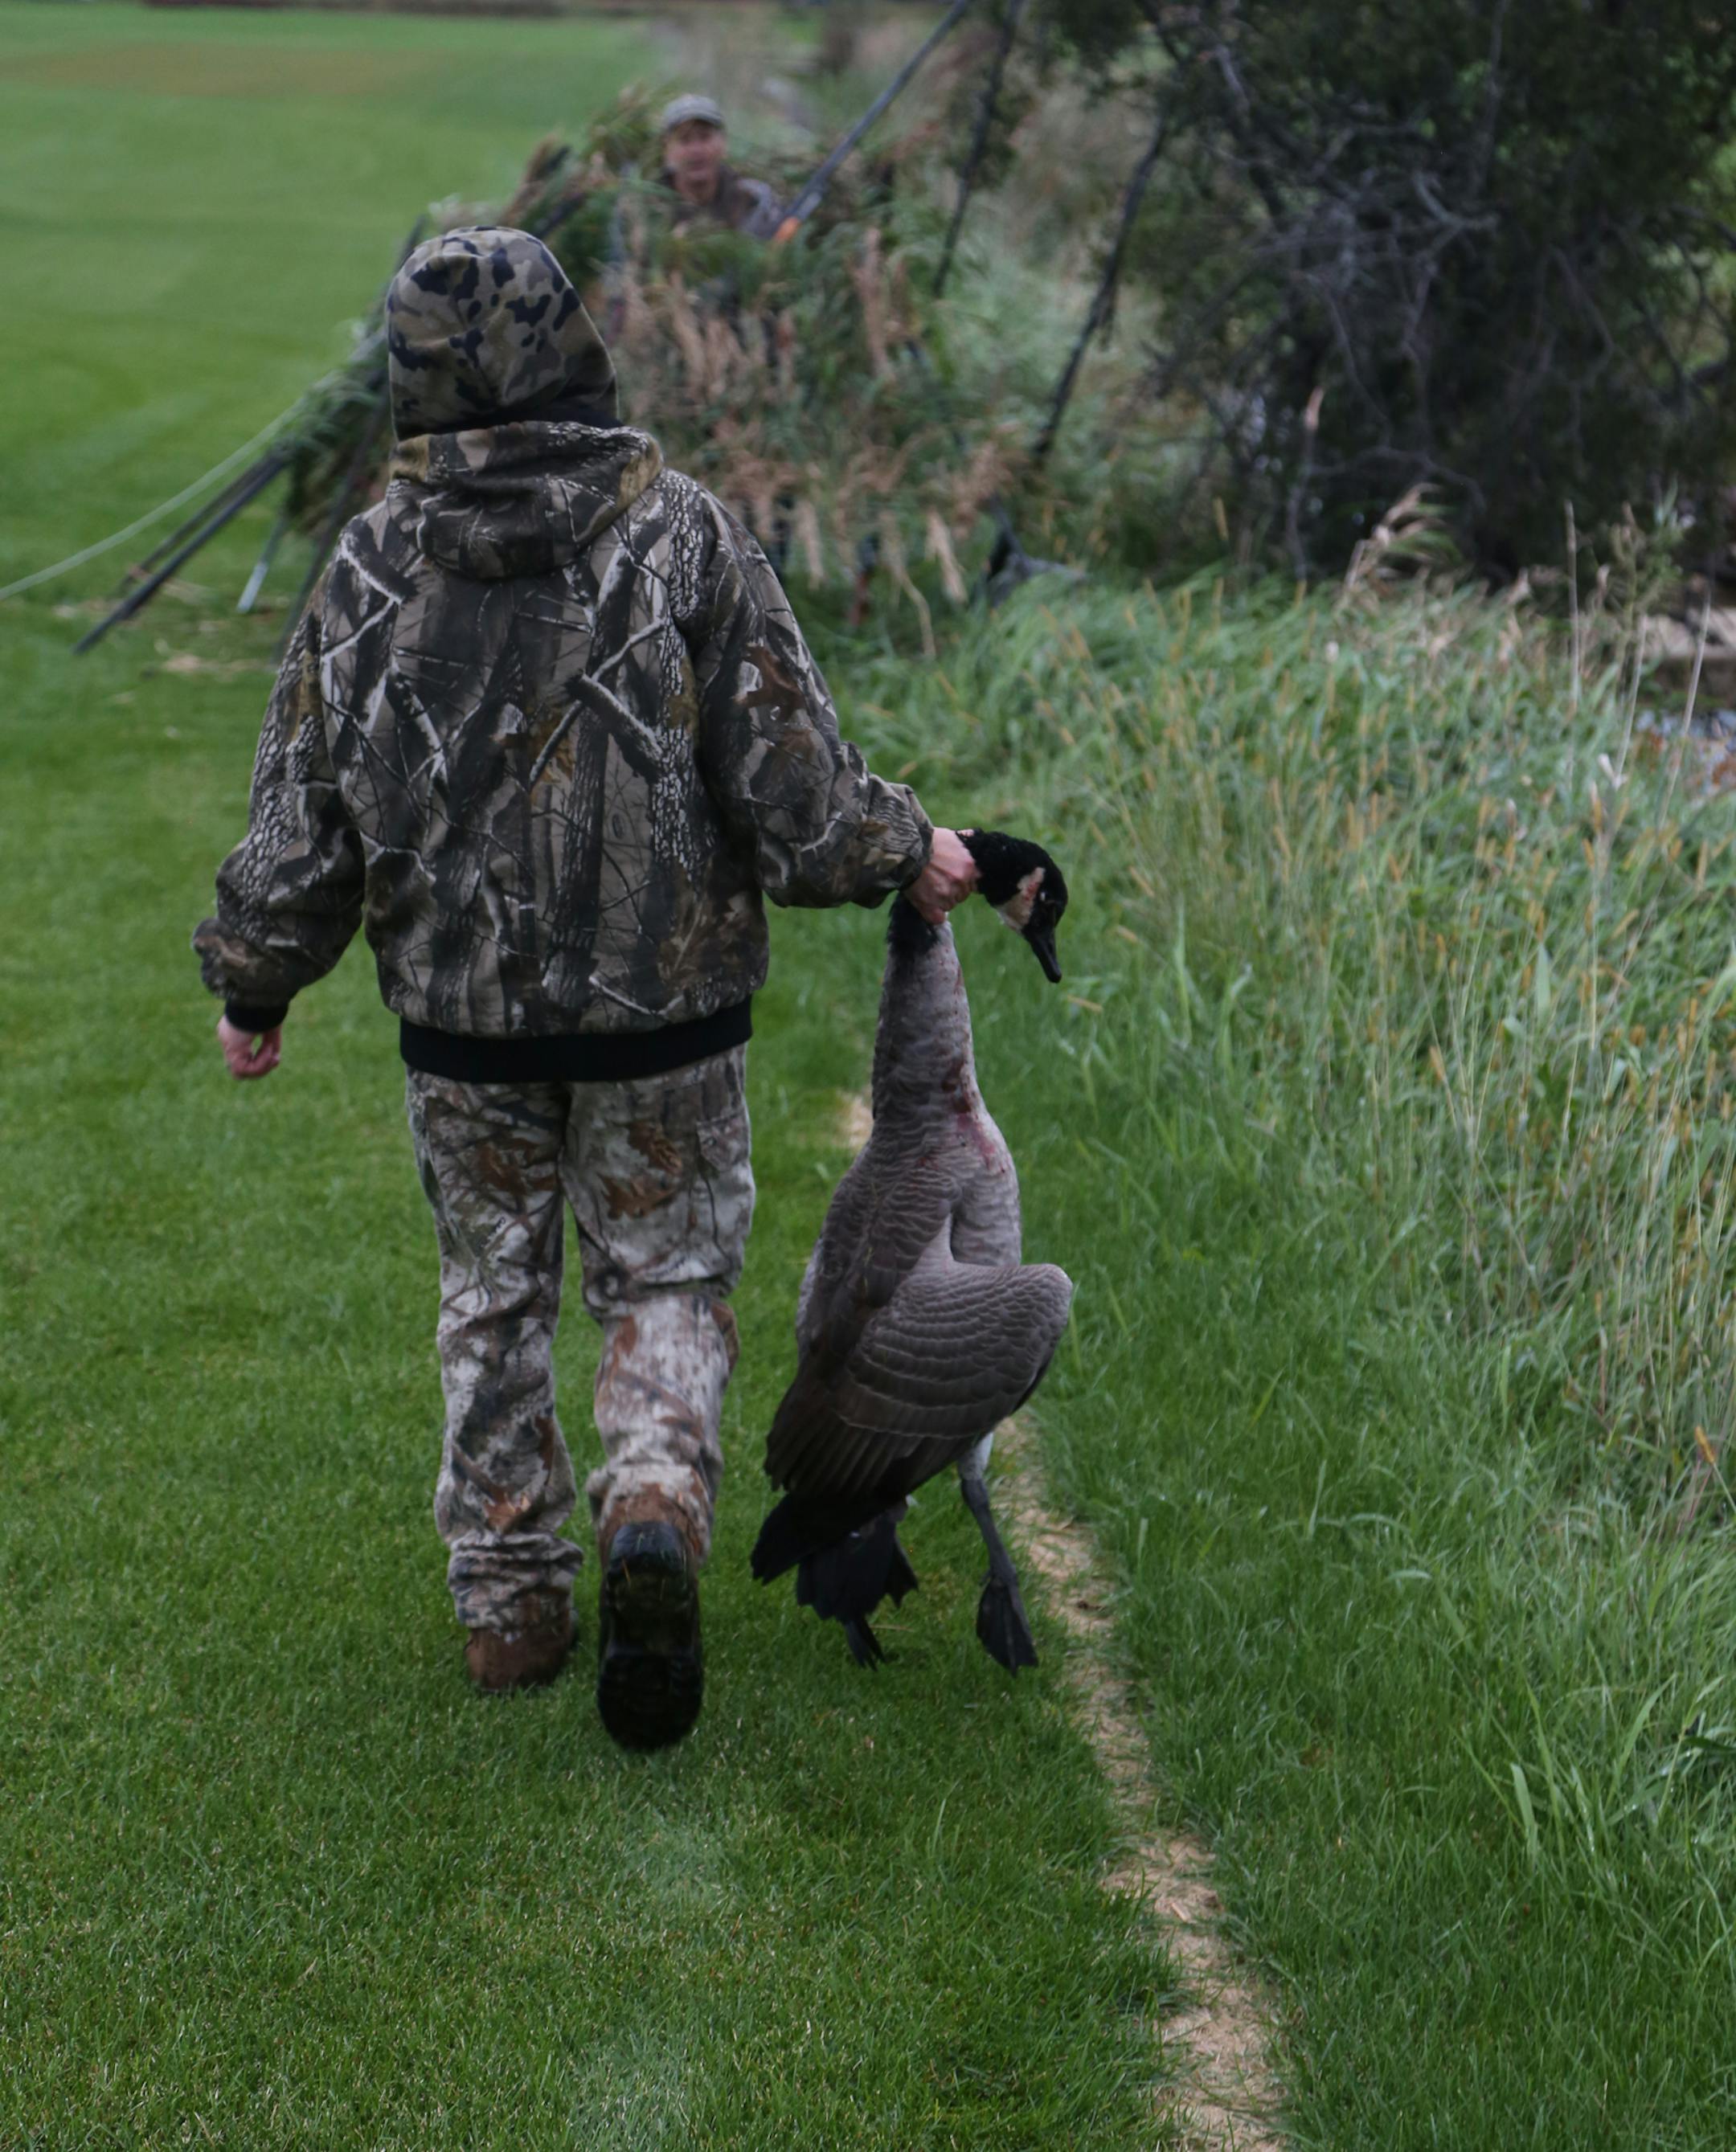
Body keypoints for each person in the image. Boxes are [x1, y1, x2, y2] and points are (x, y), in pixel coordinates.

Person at [194, 226, 977, 1752]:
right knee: (667, 1274)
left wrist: (257, 981)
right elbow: (796, 787)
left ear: (412, 373)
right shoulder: (681, 534)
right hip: (664, 1021)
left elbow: (303, 809)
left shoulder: (366, 561)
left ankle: (509, 1604)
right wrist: (907, 847)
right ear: (574, 343)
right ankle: (658, 1504)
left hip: (460, 1029)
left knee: (491, 1297)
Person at [657, 93, 784, 240]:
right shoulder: (645, 209)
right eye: (685, 140)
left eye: (705, 137)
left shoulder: (756, 203)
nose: (696, 150)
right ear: (667, 149)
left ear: (723, 143)